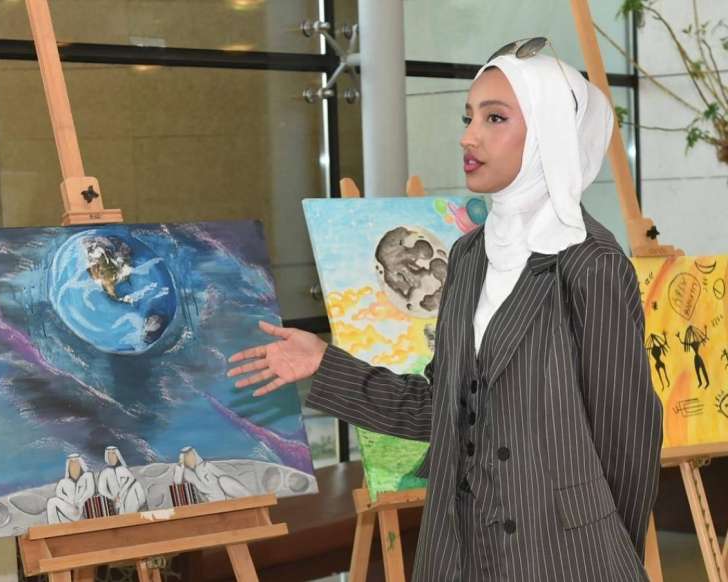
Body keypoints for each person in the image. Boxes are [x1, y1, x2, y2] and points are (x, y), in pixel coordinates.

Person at [228, 37, 663, 581]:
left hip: (565, 561)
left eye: (494, 118)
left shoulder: (591, 264)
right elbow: (440, 407)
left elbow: (628, 435)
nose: (468, 135)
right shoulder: (468, 256)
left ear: (548, 133)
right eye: (468, 116)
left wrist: (604, 549)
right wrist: (324, 362)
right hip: (458, 554)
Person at [172, 446, 250, 502]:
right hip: (211, 503)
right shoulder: (188, 474)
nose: (189, 459)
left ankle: (249, 499)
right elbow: (177, 483)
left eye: (191, 456)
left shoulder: (207, 466)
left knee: (223, 480)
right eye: (186, 457)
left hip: (225, 498)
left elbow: (227, 479)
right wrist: (180, 465)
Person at [46, 454, 96, 524]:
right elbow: (58, 493)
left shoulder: (87, 476)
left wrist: (80, 502)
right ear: (68, 468)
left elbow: (90, 491)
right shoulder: (63, 481)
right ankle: (54, 528)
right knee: (51, 501)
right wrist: (69, 501)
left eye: (76, 465)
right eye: (71, 466)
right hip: (70, 509)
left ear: (81, 465)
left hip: (82, 509)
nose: (74, 468)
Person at [97, 445, 146, 514]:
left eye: (113, 454)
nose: (111, 457)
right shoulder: (104, 473)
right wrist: (113, 497)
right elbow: (102, 489)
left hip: (128, 496)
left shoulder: (123, 469)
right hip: (115, 500)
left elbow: (132, 481)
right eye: (109, 454)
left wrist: (121, 494)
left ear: (117, 456)